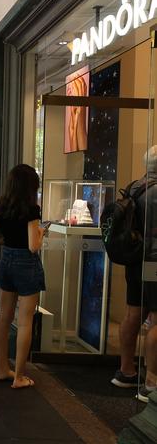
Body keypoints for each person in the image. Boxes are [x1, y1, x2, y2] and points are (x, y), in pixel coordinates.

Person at [0, 164, 46, 389]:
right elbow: (34, 246)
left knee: (3, 316)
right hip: (26, 263)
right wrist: (41, 233)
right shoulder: (31, 209)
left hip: (7, 260)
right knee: (25, 322)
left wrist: (12, 241)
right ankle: (19, 376)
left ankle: (2, 368)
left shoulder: (1, 206)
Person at [113, 146, 157, 401]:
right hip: (154, 261)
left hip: (135, 261)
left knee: (133, 313)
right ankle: (151, 381)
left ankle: (126, 371)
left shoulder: (134, 187)